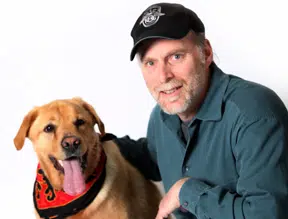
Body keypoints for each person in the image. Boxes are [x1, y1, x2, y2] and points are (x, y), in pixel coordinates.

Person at [112, 2, 288, 219]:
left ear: (205, 52)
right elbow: (156, 159)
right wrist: (96, 142)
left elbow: (267, 215)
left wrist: (186, 193)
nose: (163, 76)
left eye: (176, 57)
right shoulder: (160, 117)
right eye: (150, 63)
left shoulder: (254, 114)